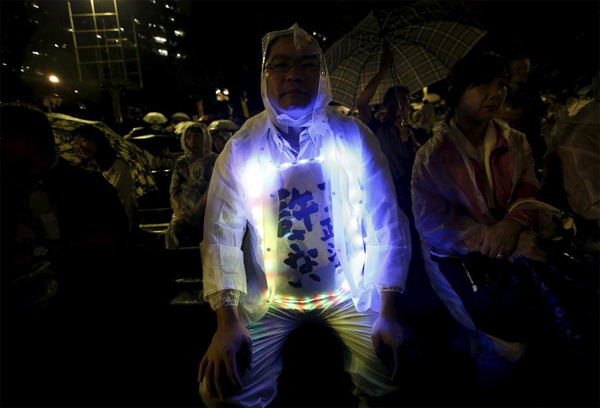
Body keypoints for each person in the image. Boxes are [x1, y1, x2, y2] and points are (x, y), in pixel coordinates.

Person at [197, 24, 412, 407]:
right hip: (270, 300)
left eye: (307, 65)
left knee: (392, 379)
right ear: (265, 76)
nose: (294, 74)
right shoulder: (243, 146)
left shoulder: (353, 136)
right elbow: (220, 234)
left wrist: (389, 309)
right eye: (280, 65)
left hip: (347, 293)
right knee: (222, 392)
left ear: (322, 74)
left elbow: (385, 222)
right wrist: (226, 322)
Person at [411, 52, 547, 399]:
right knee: (506, 348)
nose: (495, 93)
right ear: (457, 91)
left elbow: (529, 188)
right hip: (453, 259)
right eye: (483, 84)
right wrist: (500, 238)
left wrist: (514, 224)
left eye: (500, 84)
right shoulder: (431, 156)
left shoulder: (514, 141)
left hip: (505, 247)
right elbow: (434, 225)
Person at [72, 124, 139, 234]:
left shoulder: (117, 167)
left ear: (97, 141)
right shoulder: (87, 169)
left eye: (83, 140)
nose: (79, 146)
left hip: (118, 228)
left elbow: (119, 201)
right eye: (75, 142)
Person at [165, 121, 217, 249]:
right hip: (184, 213)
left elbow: (211, 190)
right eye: (189, 137)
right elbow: (174, 190)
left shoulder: (213, 161)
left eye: (196, 136)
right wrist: (180, 212)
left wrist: (194, 213)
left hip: (207, 212)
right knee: (174, 231)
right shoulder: (182, 163)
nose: (192, 140)